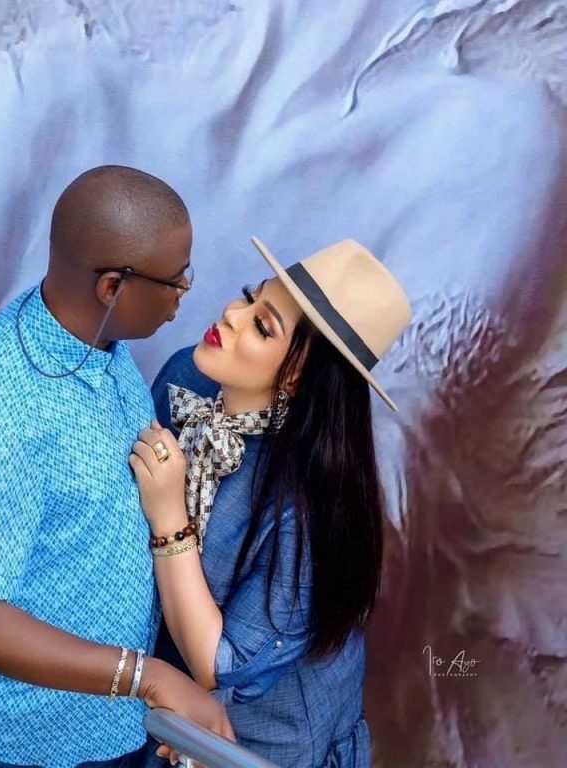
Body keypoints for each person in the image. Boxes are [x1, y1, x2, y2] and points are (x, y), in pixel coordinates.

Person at [0, 165, 233, 768]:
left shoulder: (102, 345)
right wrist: (150, 677)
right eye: (175, 279)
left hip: (103, 728)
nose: (186, 290)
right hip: (3, 746)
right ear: (112, 287)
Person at [129, 236, 412, 767]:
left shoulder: (306, 512)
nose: (232, 314)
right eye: (248, 296)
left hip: (261, 742)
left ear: (298, 374)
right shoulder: (187, 378)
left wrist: (169, 517)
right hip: (164, 697)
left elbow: (219, 666)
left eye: (262, 325)